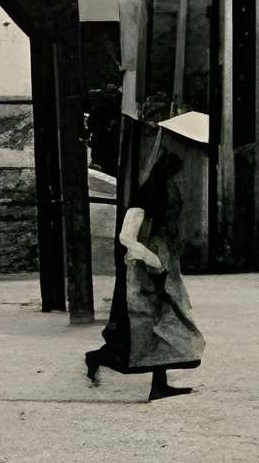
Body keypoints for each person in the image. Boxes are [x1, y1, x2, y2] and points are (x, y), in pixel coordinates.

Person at [84, 111, 207, 400]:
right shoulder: (149, 191)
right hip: (145, 269)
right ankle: (99, 358)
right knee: (145, 327)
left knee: (165, 324)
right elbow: (126, 236)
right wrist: (153, 259)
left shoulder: (167, 187)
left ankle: (158, 385)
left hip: (163, 266)